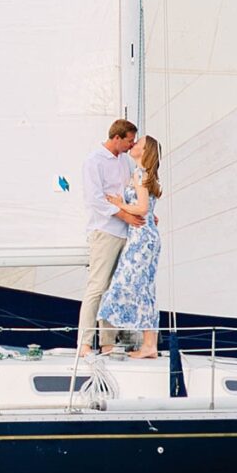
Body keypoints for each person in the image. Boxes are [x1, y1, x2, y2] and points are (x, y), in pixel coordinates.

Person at [97, 136, 163, 358]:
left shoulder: (140, 173)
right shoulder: (145, 174)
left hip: (141, 237)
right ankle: (149, 344)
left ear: (145, 151)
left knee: (124, 284)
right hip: (148, 236)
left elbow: (142, 208)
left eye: (138, 144)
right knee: (145, 288)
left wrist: (118, 204)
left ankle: (147, 344)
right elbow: (148, 208)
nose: (133, 145)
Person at [77, 119, 138, 354]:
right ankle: (84, 342)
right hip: (105, 230)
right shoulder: (94, 161)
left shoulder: (124, 161)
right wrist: (123, 215)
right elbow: (94, 199)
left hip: (125, 230)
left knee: (114, 290)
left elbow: (128, 192)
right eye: (129, 141)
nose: (131, 146)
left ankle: (108, 343)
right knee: (97, 287)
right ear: (117, 138)